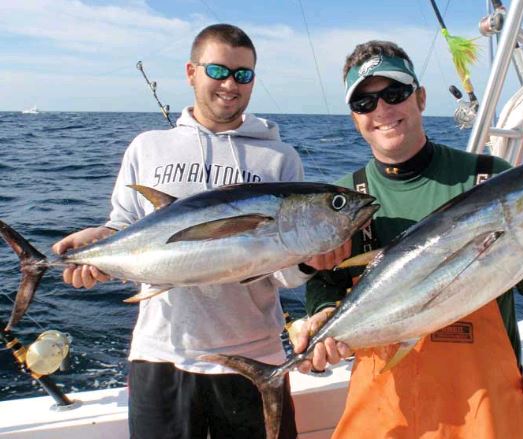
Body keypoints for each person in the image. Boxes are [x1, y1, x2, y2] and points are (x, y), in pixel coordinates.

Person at [296, 40, 523, 438]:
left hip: (484, 410)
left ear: (420, 97)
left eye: (395, 93)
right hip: (385, 410)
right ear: (354, 118)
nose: (383, 110)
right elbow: (325, 286)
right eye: (365, 103)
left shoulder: (491, 176)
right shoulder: (342, 199)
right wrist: (319, 320)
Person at [52, 24, 334, 439]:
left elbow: (281, 273)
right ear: (191, 72)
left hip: (254, 357)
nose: (230, 84)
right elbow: (124, 227)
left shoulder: (280, 159)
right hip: (160, 356)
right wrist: (98, 244)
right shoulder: (147, 147)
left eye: (243, 74)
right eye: (218, 71)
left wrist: (309, 263)